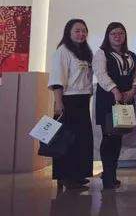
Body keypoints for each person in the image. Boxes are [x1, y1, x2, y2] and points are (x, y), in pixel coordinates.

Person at [47, 19, 94, 190]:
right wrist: (58, 102)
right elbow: (57, 79)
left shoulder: (85, 52)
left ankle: (78, 175)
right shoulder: (63, 51)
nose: (81, 34)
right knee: (66, 140)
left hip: (83, 100)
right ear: (69, 32)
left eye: (84, 31)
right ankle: (64, 177)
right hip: (68, 100)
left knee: (82, 140)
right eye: (77, 31)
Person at [94, 22, 136, 189]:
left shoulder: (131, 55)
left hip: (126, 100)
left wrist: (133, 89)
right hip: (108, 100)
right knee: (108, 138)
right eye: (114, 33)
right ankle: (107, 176)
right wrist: (114, 90)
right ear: (108, 36)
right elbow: (101, 74)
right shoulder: (102, 53)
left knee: (118, 137)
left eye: (121, 33)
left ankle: (112, 174)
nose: (117, 36)